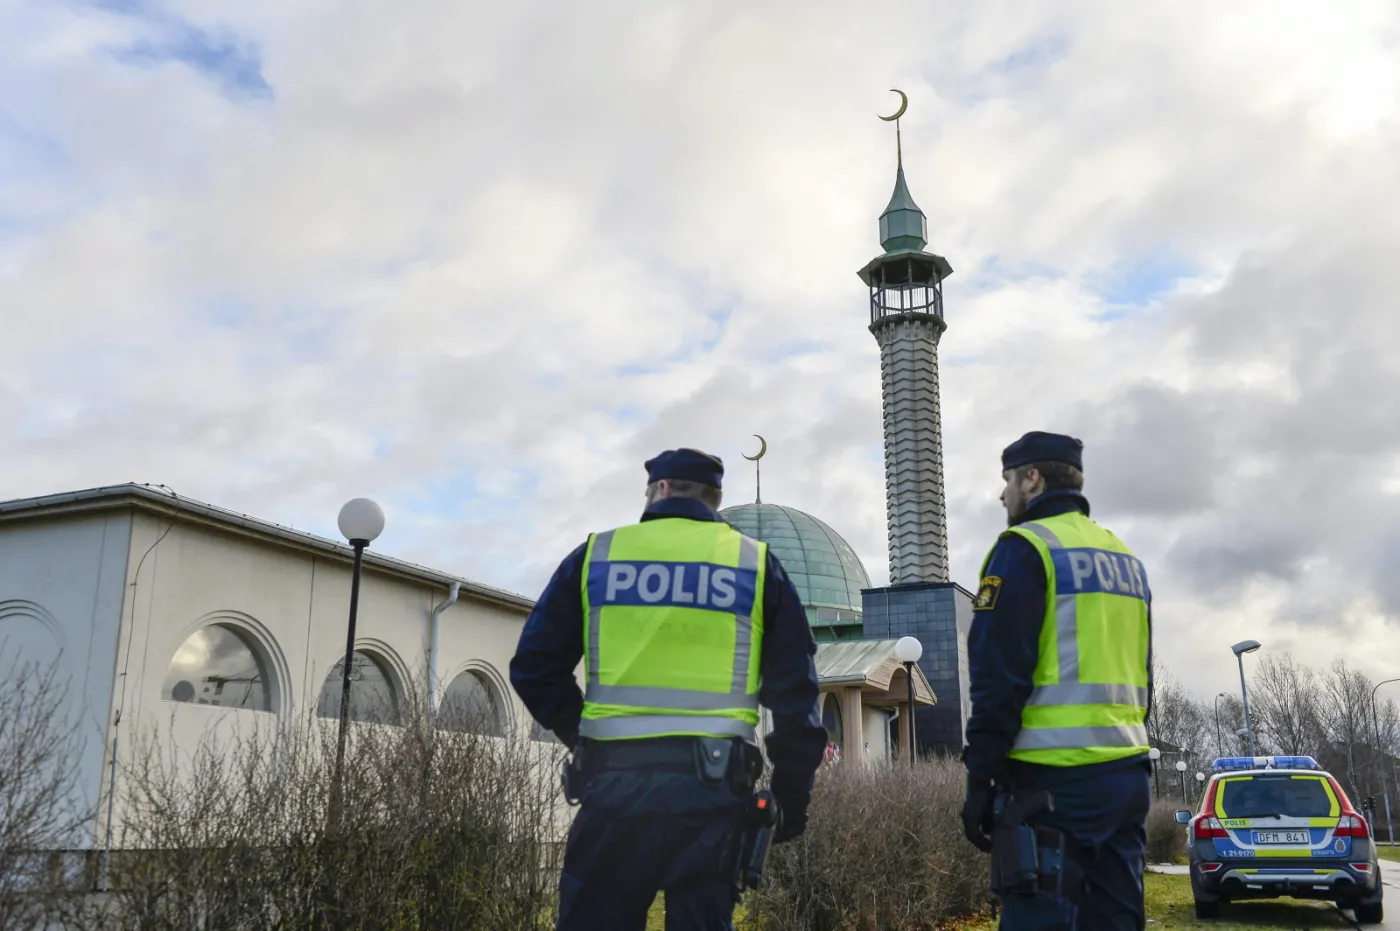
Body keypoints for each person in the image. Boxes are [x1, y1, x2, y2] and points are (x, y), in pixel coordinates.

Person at [510, 448, 827, 931]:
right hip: (713, 800)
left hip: (613, 794)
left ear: (660, 489)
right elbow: (797, 698)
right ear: (715, 498)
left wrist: (585, 736)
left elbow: (533, 668)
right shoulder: (757, 566)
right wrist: (790, 800)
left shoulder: (598, 556)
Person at [960, 431, 1153, 931]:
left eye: (1007, 481)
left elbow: (997, 678)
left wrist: (980, 778)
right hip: (1126, 779)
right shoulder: (1124, 557)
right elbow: (1143, 672)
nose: (1002, 495)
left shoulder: (1024, 550)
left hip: (1051, 787)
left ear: (1033, 479)